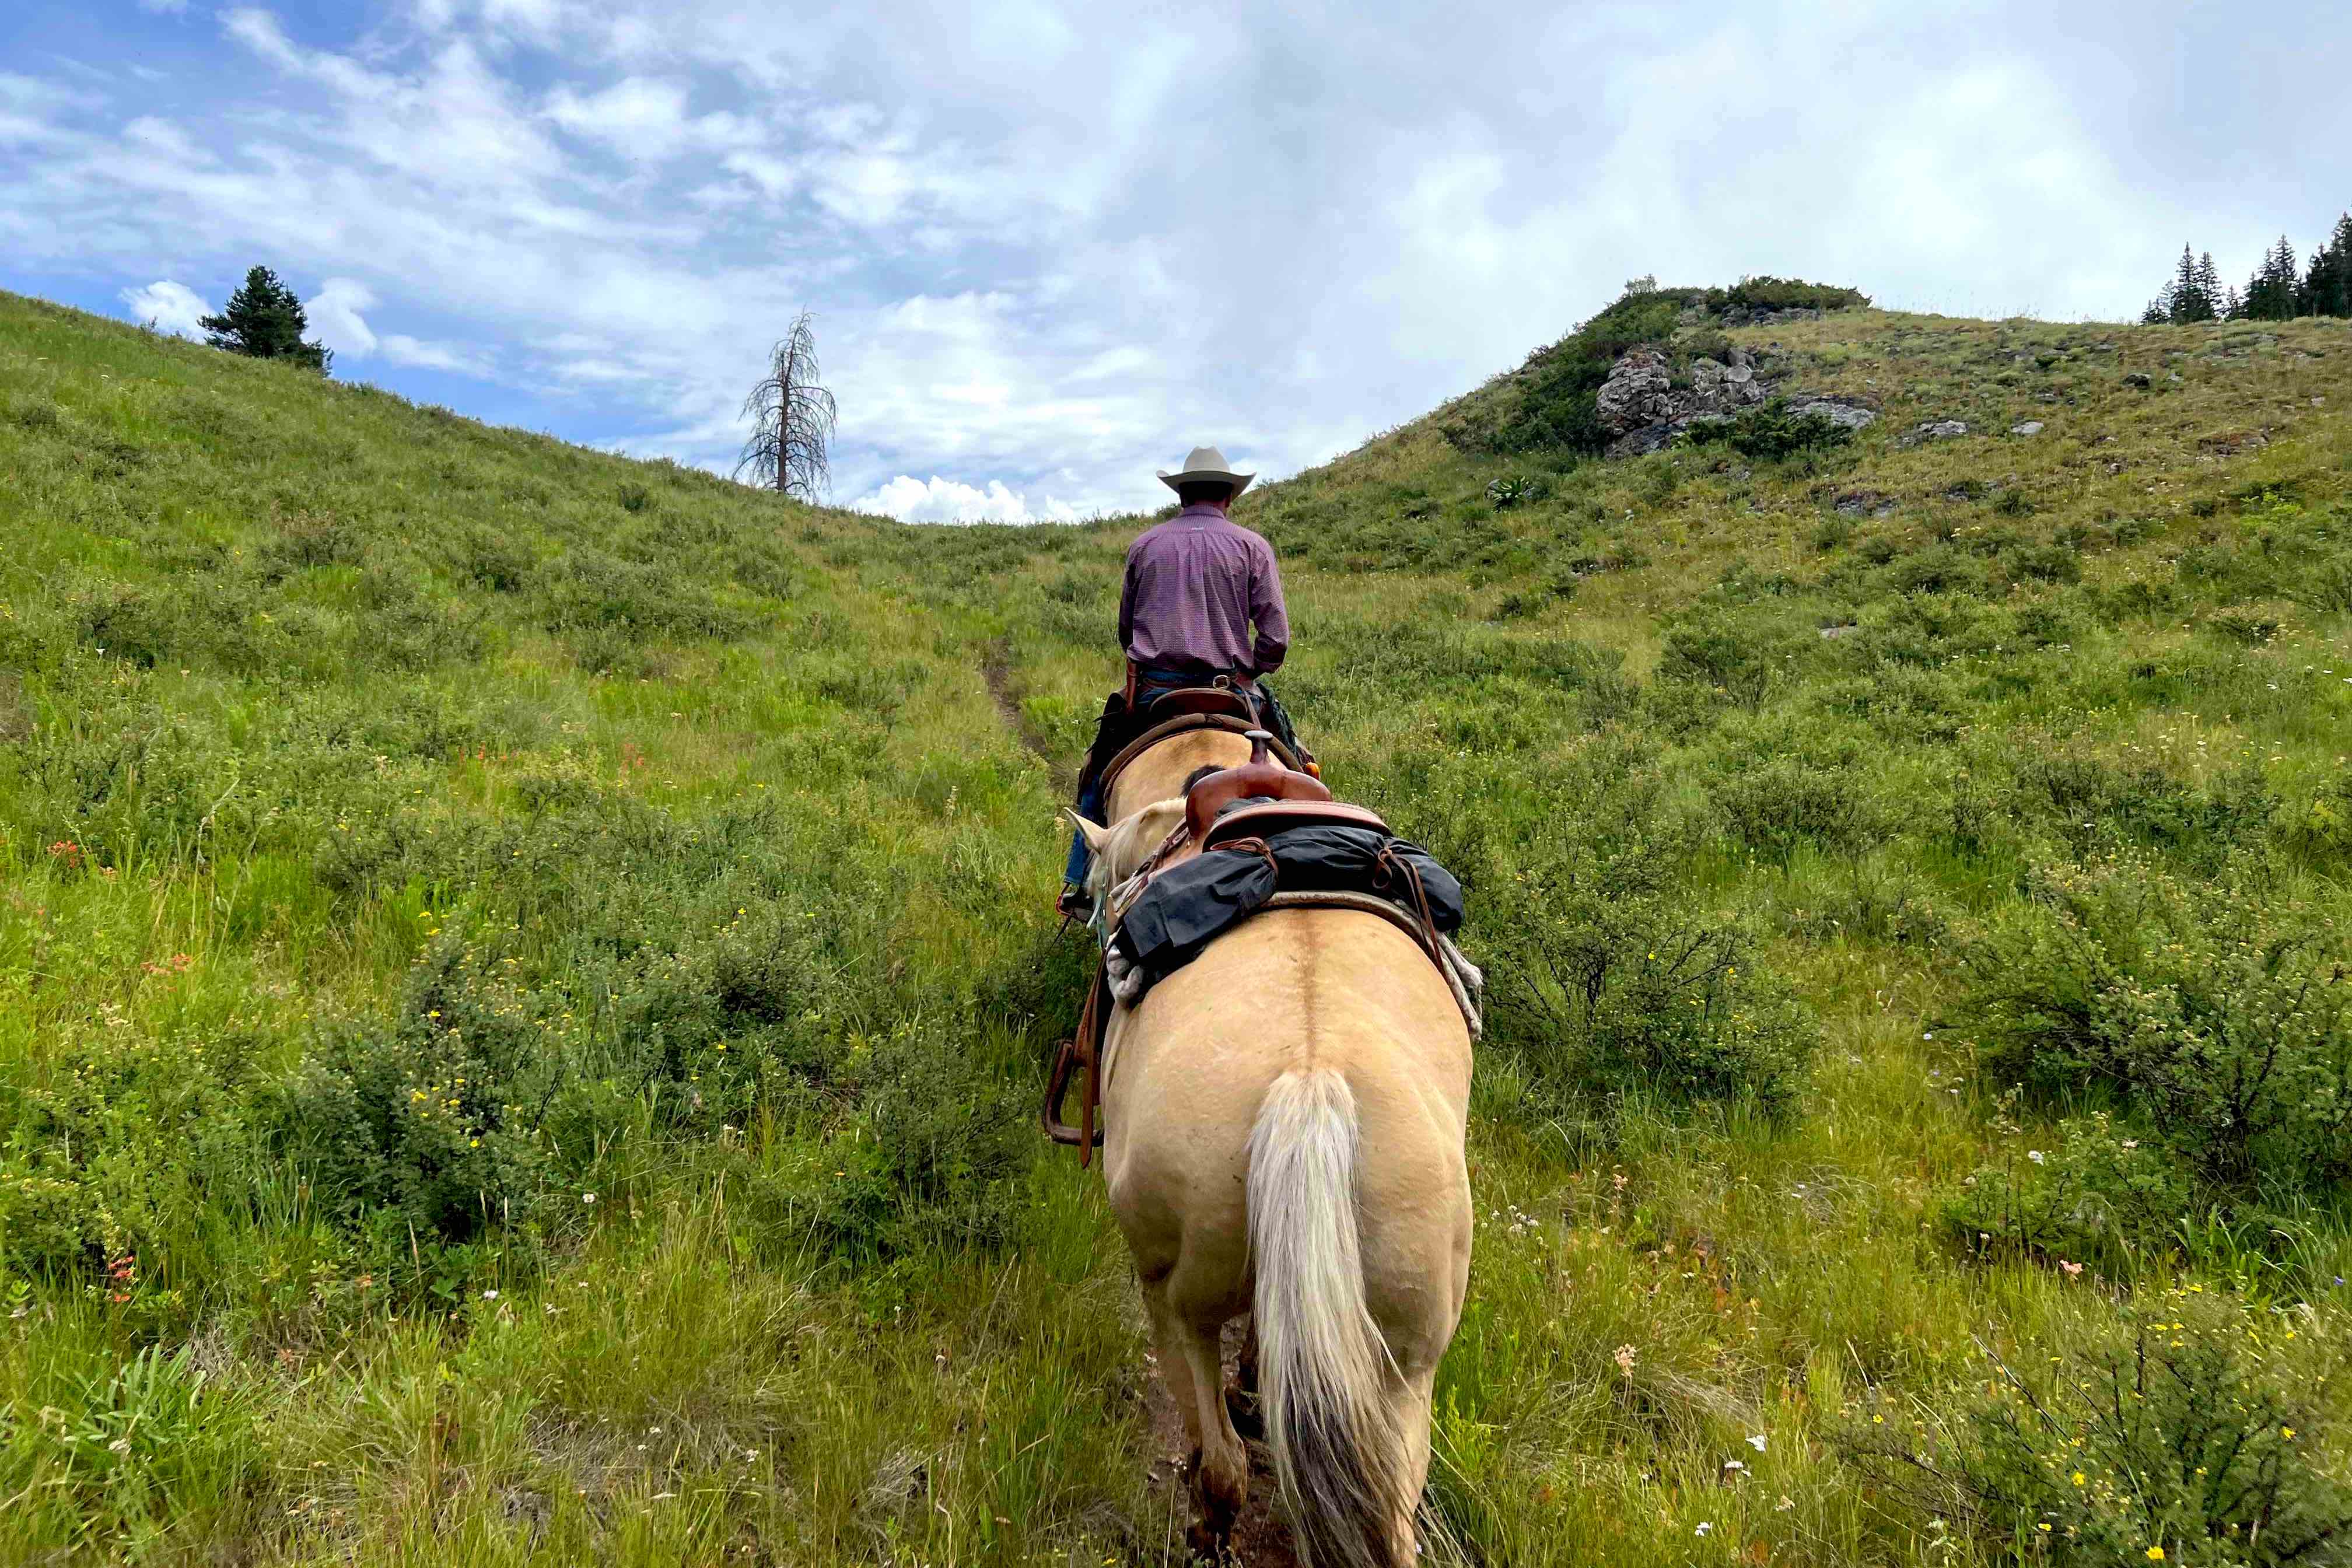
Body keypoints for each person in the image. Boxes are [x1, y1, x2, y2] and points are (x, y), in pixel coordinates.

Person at [1059, 446, 1304, 916]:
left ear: (1181, 495)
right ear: (1228, 497)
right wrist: (1253, 667)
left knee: (1098, 769)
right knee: (1296, 759)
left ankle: (1079, 881)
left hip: (1156, 691)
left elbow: (1126, 631)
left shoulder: (1146, 546)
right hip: (1231, 688)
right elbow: (1276, 638)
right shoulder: (1253, 546)